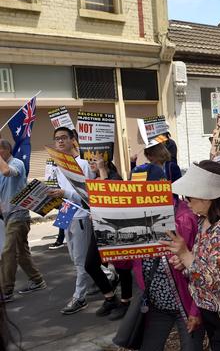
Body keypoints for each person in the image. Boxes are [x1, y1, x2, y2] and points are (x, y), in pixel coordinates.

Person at [162, 161, 220, 351]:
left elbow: (213, 280)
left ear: (208, 197)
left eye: (190, 196)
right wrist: (186, 262)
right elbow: (203, 261)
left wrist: (186, 255)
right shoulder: (206, 221)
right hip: (213, 310)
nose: (186, 201)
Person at [132, 164, 204, 351]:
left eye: (145, 189)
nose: (140, 195)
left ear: (162, 186)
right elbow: (124, 265)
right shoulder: (135, 217)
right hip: (155, 306)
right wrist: (105, 237)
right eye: (135, 190)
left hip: (185, 306)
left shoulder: (185, 219)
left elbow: (198, 268)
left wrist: (195, 311)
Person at [47, 127, 97, 315]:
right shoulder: (58, 165)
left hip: (81, 214)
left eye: (63, 138)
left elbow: (89, 196)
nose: (60, 142)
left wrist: (64, 193)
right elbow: (62, 193)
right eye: (56, 139)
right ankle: (108, 275)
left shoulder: (83, 164)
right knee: (75, 257)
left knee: (80, 260)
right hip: (65, 213)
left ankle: (79, 297)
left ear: (72, 140)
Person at [84, 154, 133, 320]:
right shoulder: (96, 178)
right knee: (90, 264)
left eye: (94, 160)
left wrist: (103, 170)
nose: (91, 163)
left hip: (116, 230)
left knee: (122, 267)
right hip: (98, 229)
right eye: (89, 160)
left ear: (104, 161)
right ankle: (110, 298)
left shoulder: (114, 178)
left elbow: (110, 199)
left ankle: (127, 302)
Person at [0, 139, 46, 302]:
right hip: (8, 216)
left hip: (18, 216)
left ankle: (6, 291)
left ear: (5, 150)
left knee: (8, 252)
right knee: (22, 254)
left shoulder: (17, 163)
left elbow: (7, 172)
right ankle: (37, 280)